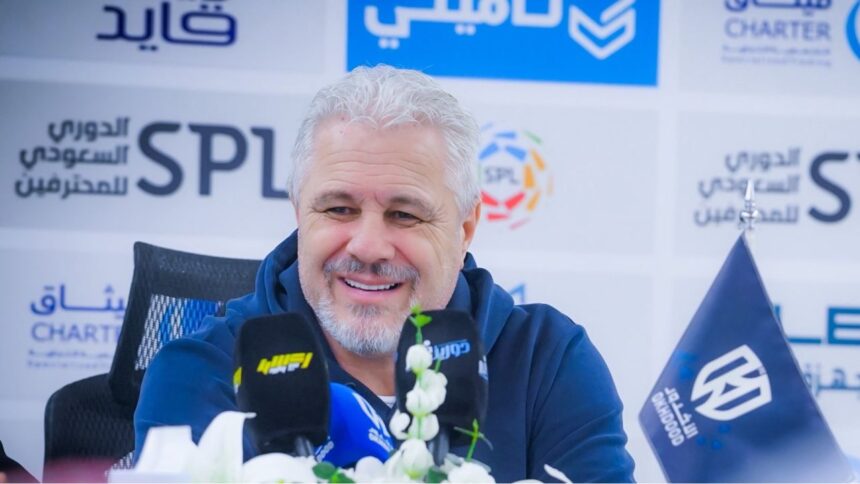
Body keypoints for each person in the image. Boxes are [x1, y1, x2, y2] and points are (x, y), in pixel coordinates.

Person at [135, 65, 635, 482]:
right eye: (338, 209)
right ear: (299, 213)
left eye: (404, 214)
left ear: (464, 228)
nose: (368, 246)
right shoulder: (201, 371)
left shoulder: (547, 359)